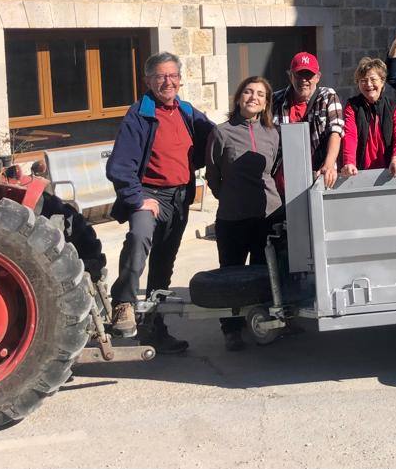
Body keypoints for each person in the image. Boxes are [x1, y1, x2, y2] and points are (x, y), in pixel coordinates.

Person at [106, 51, 214, 353]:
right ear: (149, 81)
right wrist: (137, 198)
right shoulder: (139, 114)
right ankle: (124, 303)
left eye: (172, 76)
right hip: (149, 195)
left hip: (180, 198)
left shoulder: (188, 112)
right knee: (139, 238)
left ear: (180, 80)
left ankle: (155, 329)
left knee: (164, 263)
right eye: (160, 76)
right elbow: (119, 166)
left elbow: (217, 137)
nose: (167, 81)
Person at [205, 76, 282, 351]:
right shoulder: (222, 132)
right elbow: (213, 175)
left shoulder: (273, 133)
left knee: (264, 274)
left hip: (266, 215)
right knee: (232, 275)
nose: (253, 98)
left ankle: (261, 322)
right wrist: (228, 196)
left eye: (260, 94)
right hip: (233, 217)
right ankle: (232, 329)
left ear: (266, 103)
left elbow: (272, 170)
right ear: (239, 98)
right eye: (248, 92)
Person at [272, 52, 344, 189]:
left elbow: (336, 130)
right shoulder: (275, 100)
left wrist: (328, 165)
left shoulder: (327, 97)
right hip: (282, 184)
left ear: (318, 77)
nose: (304, 80)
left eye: (309, 75)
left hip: (318, 179)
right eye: (299, 75)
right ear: (290, 76)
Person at [341, 57, 396, 178]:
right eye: (363, 80)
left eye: (373, 79)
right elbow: (350, 135)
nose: (369, 84)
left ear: (382, 81)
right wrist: (349, 162)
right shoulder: (352, 106)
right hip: (360, 172)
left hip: (390, 171)